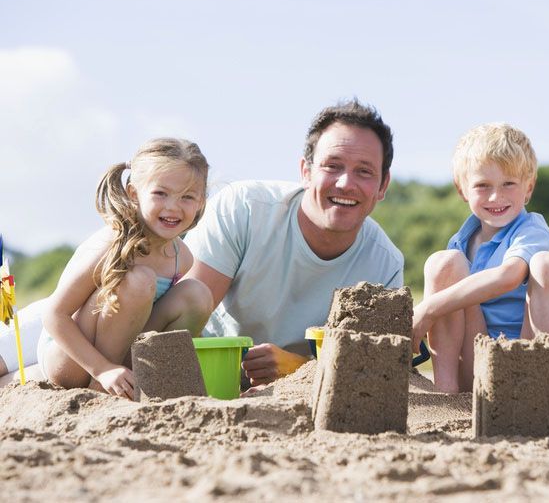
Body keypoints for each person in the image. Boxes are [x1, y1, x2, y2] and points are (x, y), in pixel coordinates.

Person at [180, 99, 403, 387]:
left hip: (302, 395)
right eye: (333, 166)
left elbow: (369, 373)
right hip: (205, 381)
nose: (346, 183)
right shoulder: (243, 208)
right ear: (306, 171)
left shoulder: (385, 263)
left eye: (364, 171)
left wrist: (299, 369)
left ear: (383, 185)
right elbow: (181, 326)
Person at [17, 138, 212, 399]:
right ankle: (101, 391)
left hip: (123, 358)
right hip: (71, 359)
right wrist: (102, 369)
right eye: (160, 193)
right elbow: (54, 314)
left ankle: (152, 382)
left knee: (198, 294)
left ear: (201, 202)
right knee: (139, 280)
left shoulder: (182, 257)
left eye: (187, 197)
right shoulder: (112, 243)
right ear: (134, 194)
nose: (172, 207)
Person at [411, 123, 549, 393]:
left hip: (528, 360)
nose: (496, 196)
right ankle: (447, 392)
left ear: (529, 188)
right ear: (462, 190)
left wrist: (428, 308)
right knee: (443, 262)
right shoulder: (461, 242)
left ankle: (539, 390)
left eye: (508, 184)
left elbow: (509, 276)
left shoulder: (531, 230)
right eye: (482, 185)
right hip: (478, 366)